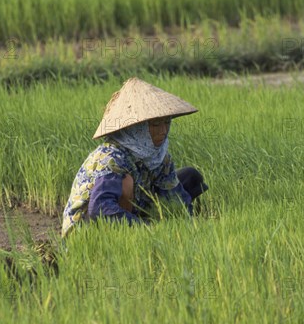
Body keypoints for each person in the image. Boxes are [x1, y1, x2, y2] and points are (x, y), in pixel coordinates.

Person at [61, 77, 208, 237]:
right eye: (156, 124)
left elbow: (174, 195)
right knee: (126, 182)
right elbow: (99, 207)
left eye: (167, 123)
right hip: (88, 228)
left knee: (190, 178)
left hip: (133, 209)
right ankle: (125, 237)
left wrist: (189, 226)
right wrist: (146, 229)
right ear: (136, 128)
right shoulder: (111, 158)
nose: (163, 131)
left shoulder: (158, 156)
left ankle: (140, 230)